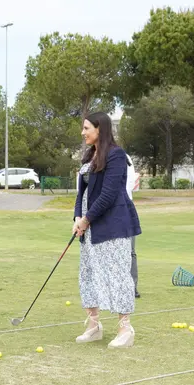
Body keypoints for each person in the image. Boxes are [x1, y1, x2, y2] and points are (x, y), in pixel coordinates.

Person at [73, 112, 142, 348]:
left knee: (118, 274)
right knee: (88, 273)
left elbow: (109, 194)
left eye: (86, 128)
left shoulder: (116, 155)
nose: (83, 132)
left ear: (99, 129)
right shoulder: (89, 156)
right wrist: (77, 217)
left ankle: (125, 329)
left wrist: (86, 219)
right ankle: (94, 326)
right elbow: (82, 193)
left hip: (113, 224)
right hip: (89, 225)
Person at [125, 154, 141, 298]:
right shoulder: (95, 156)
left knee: (130, 251)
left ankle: (131, 287)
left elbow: (129, 186)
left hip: (126, 209)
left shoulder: (125, 158)